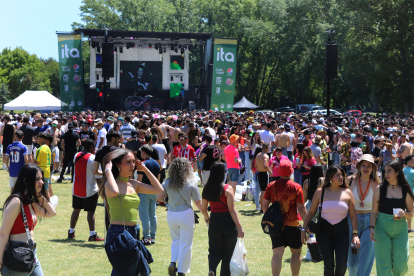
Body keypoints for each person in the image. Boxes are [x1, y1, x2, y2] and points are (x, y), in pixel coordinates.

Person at [100, 148, 163, 276]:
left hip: (133, 232)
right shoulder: (110, 184)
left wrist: (145, 169)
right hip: (118, 233)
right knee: (130, 271)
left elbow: (158, 189)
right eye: (128, 162)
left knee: (131, 271)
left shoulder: (133, 184)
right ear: (117, 165)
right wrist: (107, 169)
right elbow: (115, 192)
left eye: (133, 162)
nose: (132, 165)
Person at [302, 165, 360, 276]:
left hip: (342, 231)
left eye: (342, 175)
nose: (341, 177)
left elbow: (353, 216)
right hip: (324, 231)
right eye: (337, 175)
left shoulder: (347, 192)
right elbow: (310, 212)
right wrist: (304, 229)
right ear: (330, 177)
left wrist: (355, 234)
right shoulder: (320, 192)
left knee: (342, 266)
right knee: (329, 266)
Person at [0, 163, 57, 275]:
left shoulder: (30, 201)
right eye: (37, 179)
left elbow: (51, 213)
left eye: (41, 179)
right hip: (16, 256)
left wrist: (39, 196)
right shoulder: (16, 201)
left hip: (31, 254)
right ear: (26, 180)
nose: (41, 182)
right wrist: (0, 261)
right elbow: (3, 233)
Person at [156, 158, 203, 276]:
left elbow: (158, 197)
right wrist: (206, 216)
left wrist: (167, 199)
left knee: (176, 240)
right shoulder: (191, 182)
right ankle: (182, 271)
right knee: (186, 243)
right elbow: (198, 202)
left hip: (171, 213)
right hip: (186, 213)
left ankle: (173, 262)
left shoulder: (167, 181)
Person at [262, 160, 307, 276]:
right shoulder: (296, 187)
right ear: (291, 171)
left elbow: (264, 205)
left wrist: (270, 218)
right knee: (296, 253)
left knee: (277, 254)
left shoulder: (271, 186)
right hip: (293, 225)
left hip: (276, 226)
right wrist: (307, 224)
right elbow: (301, 208)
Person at [370, 160, 414, 276]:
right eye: (385, 171)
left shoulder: (405, 190)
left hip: (400, 228)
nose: (386, 174)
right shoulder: (380, 189)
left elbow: (411, 213)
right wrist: (371, 227)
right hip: (382, 227)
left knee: (401, 262)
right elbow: (374, 212)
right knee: (383, 262)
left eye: (389, 171)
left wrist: (404, 213)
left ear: (398, 172)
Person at [200, 162, 244, 276]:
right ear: (222, 174)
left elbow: (203, 209)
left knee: (214, 250)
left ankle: (212, 270)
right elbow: (232, 210)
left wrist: (208, 218)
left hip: (214, 221)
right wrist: (239, 227)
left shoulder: (206, 189)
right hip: (228, 223)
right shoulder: (228, 189)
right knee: (228, 253)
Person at [345, 154, 380, 276]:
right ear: (358, 166)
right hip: (351, 220)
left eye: (369, 166)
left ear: (373, 168)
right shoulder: (349, 181)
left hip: (369, 221)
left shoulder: (376, 185)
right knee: (352, 257)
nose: (366, 168)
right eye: (363, 165)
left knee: (366, 256)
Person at [68, 139, 104, 241]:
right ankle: (92, 235)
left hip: (76, 189)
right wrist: (106, 173)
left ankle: (71, 232)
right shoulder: (93, 158)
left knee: (76, 210)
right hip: (90, 189)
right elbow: (97, 174)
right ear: (92, 147)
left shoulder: (77, 155)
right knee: (91, 212)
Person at [137, 145, 161, 245]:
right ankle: (153, 236)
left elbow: (138, 180)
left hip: (144, 192)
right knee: (153, 215)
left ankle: (146, 237)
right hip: (154, 192)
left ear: (143, 152)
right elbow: (158, 180)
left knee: (144, 216)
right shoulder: (157, 164)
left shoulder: (143, 164)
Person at [34, 132, 53, 198]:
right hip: (47, 171)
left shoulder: (40, 149)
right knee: (46, 190)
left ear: (42, 139)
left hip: (41, 172)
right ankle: (48, 204)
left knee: (42, 190)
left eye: (38, 138)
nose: (36, 139)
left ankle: (46, 205)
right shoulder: (48, 148)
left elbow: (36, 163)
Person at [255, 143, 272, 212]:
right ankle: (262, 208)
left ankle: (261, 207)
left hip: (259, 173)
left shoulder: (258, 155)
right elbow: (265, 166)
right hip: (264, 174)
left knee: (261, 191)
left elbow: (256, 165)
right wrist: (270, 171)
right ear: (268, 148)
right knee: (263, 191)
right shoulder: (266, 156)